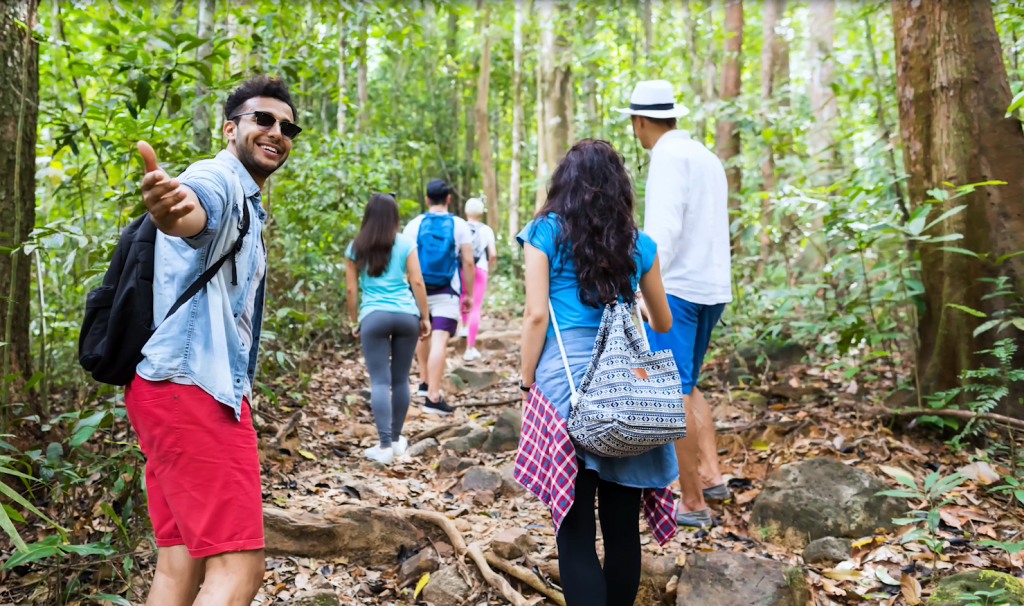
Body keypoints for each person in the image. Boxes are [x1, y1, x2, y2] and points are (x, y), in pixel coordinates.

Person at [131, 76, 300, 606]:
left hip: (162, 391)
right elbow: (192, 211)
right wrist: (172, 209)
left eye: (288, 126)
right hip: (195, 392)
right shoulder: (218, 176)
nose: (277, 131)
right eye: (263, 120)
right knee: (238, 570)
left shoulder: (250, 202)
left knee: (180, 566)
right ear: (231, 129)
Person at [517, 139, 677, 606]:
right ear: (619, 188)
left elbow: (534, 317)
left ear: (563, 183)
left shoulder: (543, 232)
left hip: (565, 387)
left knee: (575, 532)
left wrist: (526, 382)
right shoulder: (638, 244)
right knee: (624, 531)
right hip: (627, 388)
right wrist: (628, 295)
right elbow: (663, 322)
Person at [615, 80, 733, 528]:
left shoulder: (664, 157)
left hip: (678, 289)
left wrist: (643, 291)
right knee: (688, 381)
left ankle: (692, 502)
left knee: (672, 389)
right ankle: (711, 475)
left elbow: (659, 234)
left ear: (638, 121)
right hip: (712, 286)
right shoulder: (705, 156)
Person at [346, 193, 432, 464]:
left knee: (380, 381)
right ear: (394, 216)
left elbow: (350, 289)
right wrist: (425, 316)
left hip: (374, 316)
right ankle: (395, 441)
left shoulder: (356, 246)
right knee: (400, 379)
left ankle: (384, 446)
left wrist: (353, 320)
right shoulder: (406, 242)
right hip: (406, 315)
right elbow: (417, 281)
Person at [401, 179, 474, 415]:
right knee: (440, 340)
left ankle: (423, 382)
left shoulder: (414, 224)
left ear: (427, 199)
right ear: (448, 199)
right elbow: (469, 262)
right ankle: (433, 395)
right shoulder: (459, 224)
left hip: (418, 290)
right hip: (447, 291)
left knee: (423, 336)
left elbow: (405, 262)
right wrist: (469, 294)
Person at [459, 197, 497, 361]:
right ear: (481, 214)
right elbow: (493, 253)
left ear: (466, 212)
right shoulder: (486, 230)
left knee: (463, 297)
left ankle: (463, 326)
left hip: (462, 268)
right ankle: (470, 348)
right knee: (476, 307)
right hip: (480, 268)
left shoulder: (459, 227)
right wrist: (486, 265)